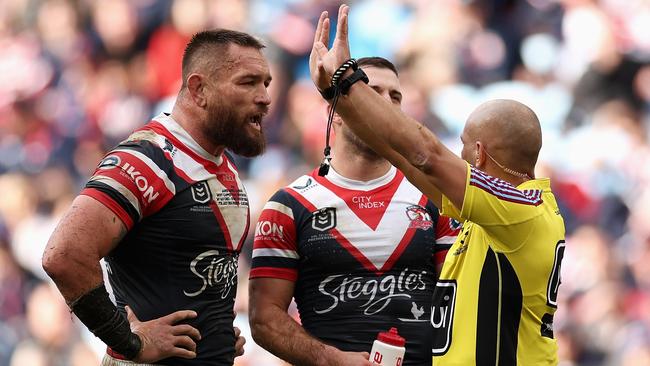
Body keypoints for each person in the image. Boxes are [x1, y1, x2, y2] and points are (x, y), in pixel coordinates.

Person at [308, 5, 567, 365]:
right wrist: (337, 96)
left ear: (478, 154)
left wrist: (348, 77)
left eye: (461, 143)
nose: (454, 152)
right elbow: (399, 154)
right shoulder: (495, 215)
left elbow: (424, 154)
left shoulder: (519, 210)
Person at [42, 29, 272, 365]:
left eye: (266, 83)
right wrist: (128, 341)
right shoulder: (148, 160)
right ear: (199, 89)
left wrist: (218, 331)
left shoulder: (223, 163)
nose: (265, 96)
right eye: (248, 82)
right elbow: (63, 256)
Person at [248, 56, 460, 366]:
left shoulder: (434, 199)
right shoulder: (290, 205)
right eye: (372, 93)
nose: (386, 104)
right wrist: (331, 359)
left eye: (395, 97)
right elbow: (264, 318)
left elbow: (458, 303)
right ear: (337, 114)